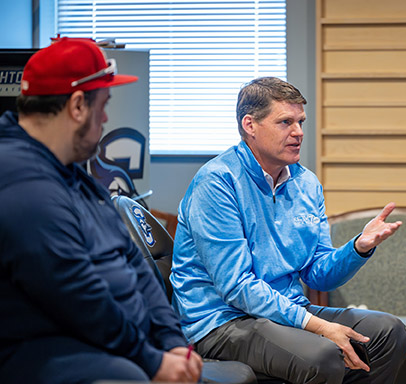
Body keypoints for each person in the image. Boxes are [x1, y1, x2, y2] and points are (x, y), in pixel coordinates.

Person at [0, 37, 255, 384]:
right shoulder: (22, 182)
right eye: (103, 105)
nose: (105, 119)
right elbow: (76, 294)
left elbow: (133, 260)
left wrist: (171, 341)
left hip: (117, 345)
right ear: (77, 106)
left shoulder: (73, 174)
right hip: (49, 352)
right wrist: (151, 360)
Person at [171, 77, 406, 383]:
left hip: (285, 312)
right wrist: (318, 326)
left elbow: (318, 273)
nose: (298, 132)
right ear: (250, 125)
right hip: (222, 322)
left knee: (388, 333)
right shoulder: (217, 183)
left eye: (300, 122)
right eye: (285, 122)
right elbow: (237, 287)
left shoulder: (306, 183)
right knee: (322, 356)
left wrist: (358, 248)